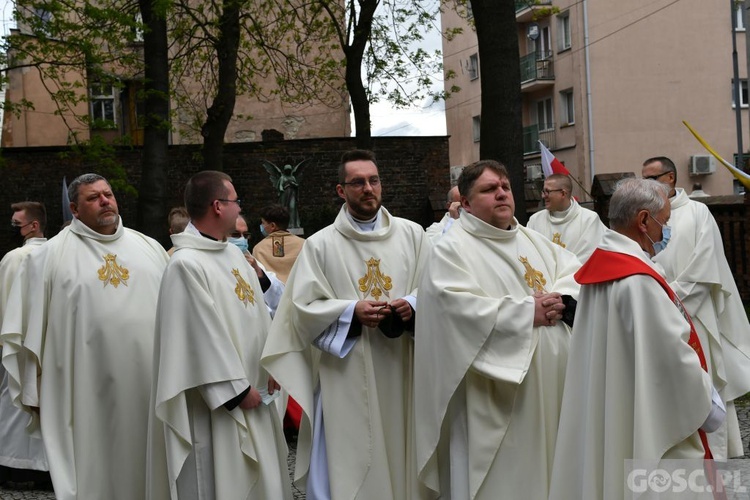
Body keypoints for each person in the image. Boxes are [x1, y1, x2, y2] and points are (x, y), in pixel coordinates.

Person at [262, 149, 429, 499]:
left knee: (404, 450)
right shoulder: (321, 245)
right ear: (341, 190)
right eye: (358, 183)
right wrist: (351, 311)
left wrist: (412, 304)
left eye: (374, 180)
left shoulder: (413, 235)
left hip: (405, 365)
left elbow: (437, 288)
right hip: (347, 371)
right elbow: (300, 308)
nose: (368, 188)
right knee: (351, 457)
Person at [414, 160, 581, 499]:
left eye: (505, 186)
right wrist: (526, 312)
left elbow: (574, 273)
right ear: (467, 203)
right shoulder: (450, 250)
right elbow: (453, 312)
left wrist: (562, 299)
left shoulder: (534, 240)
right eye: (490, 189)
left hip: (554, 388)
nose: (502, 193)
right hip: (495, 397)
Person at [549, 178, 723, 500]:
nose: (665, 232)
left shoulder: (599, 269)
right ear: (644, 220)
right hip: (649, 415)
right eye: (665, 222)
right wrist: (708, 400)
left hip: (613, 405)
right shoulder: (639, 282)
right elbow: (671, 362)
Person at [0, 174, 169, 500]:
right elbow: (31, 333)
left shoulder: (150, 248)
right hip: (82, 392)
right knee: (92, 473)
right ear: (75, 209)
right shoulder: (46, 257)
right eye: (94, 198)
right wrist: (34, 391)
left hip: (148, 386)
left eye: (108, 194)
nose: (105, 201)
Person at [147, 171, 291, 500]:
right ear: (217, 206)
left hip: (257, 391)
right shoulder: (186, 265)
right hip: (221, 404)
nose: (240, 208)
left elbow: (257, 315)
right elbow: (198, 336)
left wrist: (271, 365)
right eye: (235, 201)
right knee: (224, 481)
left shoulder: (234, 256)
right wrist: (237, 391)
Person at [642, 156, 750, 458]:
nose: (647, 184)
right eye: (643, 179)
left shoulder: (698, 212)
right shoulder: (644, 215)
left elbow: (706, 262)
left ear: (672, 178)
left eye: (652, 178)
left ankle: (713, 455)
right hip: (655, 310)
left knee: (704, 379)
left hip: (695, 312)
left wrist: (671, 294)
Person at [0, 202, 49, 482]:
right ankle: (44, 467)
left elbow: (5, 305)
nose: (12, 228)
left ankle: (12, 463)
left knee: (14, 401)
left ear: (34, 225)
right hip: (47, 346)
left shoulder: (16, 258)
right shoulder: (59, 253)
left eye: (16, 223)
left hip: (17, 343)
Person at [526, 173, 606, 262]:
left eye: (547, 191)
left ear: (563, 194)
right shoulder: (535, 220)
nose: (543, 196)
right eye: (543, 191)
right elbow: (529, 253)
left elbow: (588, 258)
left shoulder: (589, 220)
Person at [252, 204, 305, 284]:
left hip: (271, 295)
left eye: (263, 223)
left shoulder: (259, 248)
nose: (262, 226)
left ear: (273, 226)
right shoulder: (304, 244)